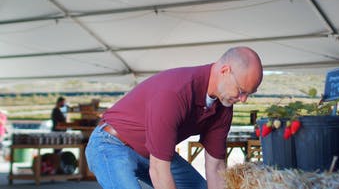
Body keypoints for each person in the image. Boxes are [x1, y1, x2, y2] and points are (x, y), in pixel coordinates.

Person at [85, 46, 263, 189]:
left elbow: (216, 167)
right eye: (241, 91)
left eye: (249, 94)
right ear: (225, 70)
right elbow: (159, 171)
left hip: (151, 151)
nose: (243, 100)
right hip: (111, 144)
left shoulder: (224, 105)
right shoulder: (175, 92)